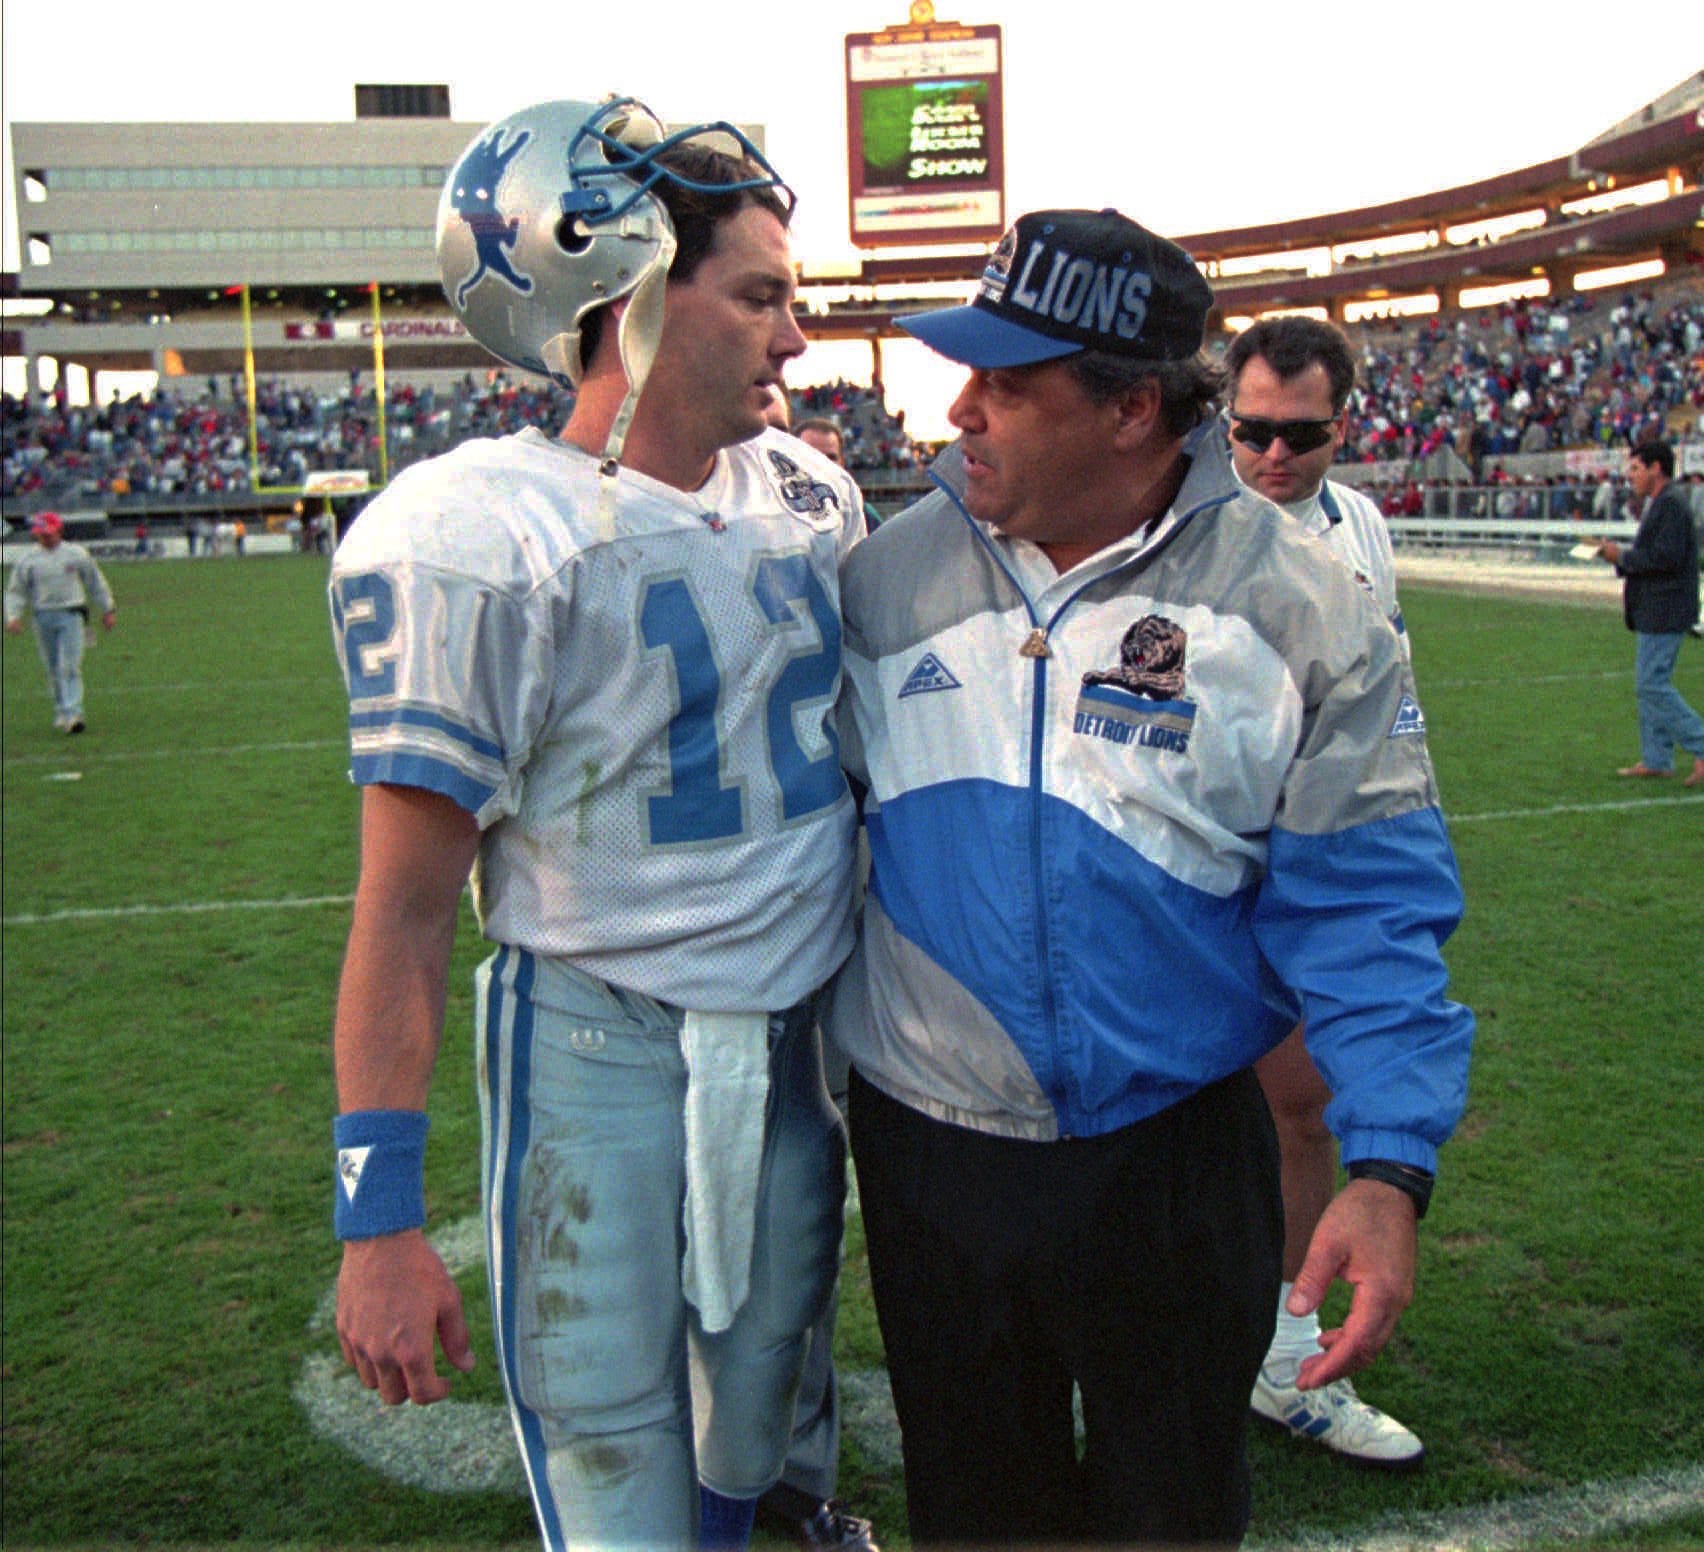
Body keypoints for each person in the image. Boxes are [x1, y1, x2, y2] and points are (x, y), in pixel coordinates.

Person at [829, 208, 1474, 1547]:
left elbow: (1370, 901)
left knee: (1171, 1518)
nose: (964, 409)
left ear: (1133, 410)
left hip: (1175, 1163)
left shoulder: (1304, 603)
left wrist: (1390, 1162)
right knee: (978, 1518)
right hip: (930, 1155)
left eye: (1008, 382)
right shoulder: (879, 584)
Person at [328, 96, 866, 1552]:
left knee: (754, 1430)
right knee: (611, 1457)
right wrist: (377, 1219)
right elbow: (408, 911)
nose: (795, 339)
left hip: (792, 1042)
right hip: (593, 1043)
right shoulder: (479, 534)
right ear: (626, 295)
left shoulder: (812, 498)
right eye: (758, 297)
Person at [1223, 315, 1423, 1468]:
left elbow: (1383, 694)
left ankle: (1281, 1355)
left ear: (1344, 425)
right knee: (1154, 1113)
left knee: (1301, 1106)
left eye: (1303, 433)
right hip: (1186, 864)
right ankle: (1155, 1344)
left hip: (1310, 857)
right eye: (1252, 429)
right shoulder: (1186, 523)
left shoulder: (1362, 524)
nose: (1275, 454)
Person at [748, 386, 879, 1552]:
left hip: (808, 937)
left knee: (796, 1242)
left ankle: (792, 1480)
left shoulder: (822, 512)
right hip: (657, 959)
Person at [1594, 439, 1704, 787]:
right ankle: (1657, 758)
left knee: (1652, 684)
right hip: (1655, 609)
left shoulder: (1670, 504)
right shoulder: (1662, 502)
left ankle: (1699, 744)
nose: (1631, 476)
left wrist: (1621, 558)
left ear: (1656, 468)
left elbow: (1665, 558)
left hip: (1666, 609)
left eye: (1636, 468)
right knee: (1650, 683)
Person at [5, 511, 116, 734]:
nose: (45, 538)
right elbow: (16, 591)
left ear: (58, 531)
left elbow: (95, 581)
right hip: (43, 615)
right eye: (40, 534)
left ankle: (73, 713)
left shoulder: (76, 554)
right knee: (53, 667)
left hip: (71, 613)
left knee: (69, 665)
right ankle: (61, 709)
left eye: (48, 533)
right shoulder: (28, 560)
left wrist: (107, 608)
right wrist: (12, 616)